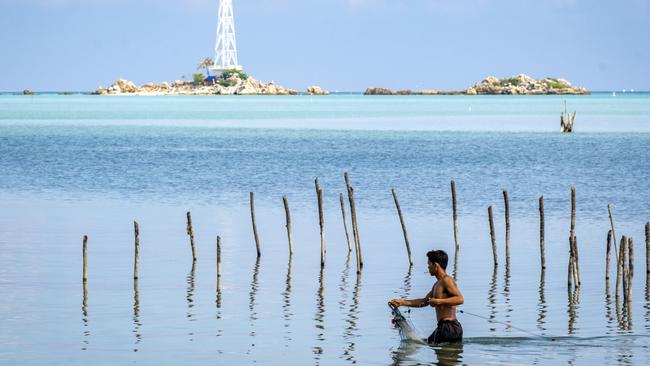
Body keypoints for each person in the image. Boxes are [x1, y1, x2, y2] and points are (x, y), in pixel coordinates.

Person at [388, 250, 464, 344]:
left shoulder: (447, 280)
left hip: (449, 327)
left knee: (442, 354)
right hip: (444, 327)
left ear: (436, 265)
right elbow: (424, 301)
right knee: (428, 343)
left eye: (429, 264)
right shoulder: (437, 284)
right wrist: (402, 302)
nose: (428, 267)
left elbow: (460, 299)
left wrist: (438, 301)